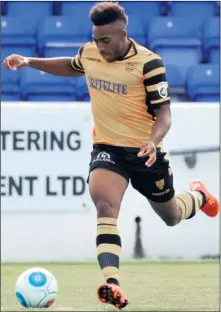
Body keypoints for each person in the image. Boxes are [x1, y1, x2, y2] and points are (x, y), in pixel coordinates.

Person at [4, 2, 219, 310]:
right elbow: (72, 65)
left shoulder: (149, 63)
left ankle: (198, 195)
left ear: (123, 35)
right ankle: (111, 282)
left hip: (146, 151)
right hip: (107, 148)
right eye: (95, 38)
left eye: (105, 40)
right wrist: (28, 61)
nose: (99, 46)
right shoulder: (91, 52)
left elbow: (165, 114)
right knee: (105, 205)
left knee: (171, 215)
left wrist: (153, 142)